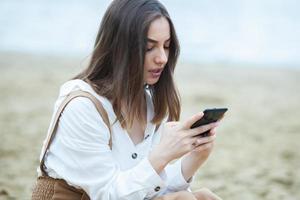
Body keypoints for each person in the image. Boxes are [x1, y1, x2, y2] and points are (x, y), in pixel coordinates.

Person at [35, 0, 223, 199]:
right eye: (149, 47)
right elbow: (108, 194)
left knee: (204, 196)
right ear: (119, 48)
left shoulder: (148, 104)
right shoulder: (82, 106)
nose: (162, 58)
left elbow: (144, 188)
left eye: (166, 46)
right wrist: (162, 155)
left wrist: (194, 158)